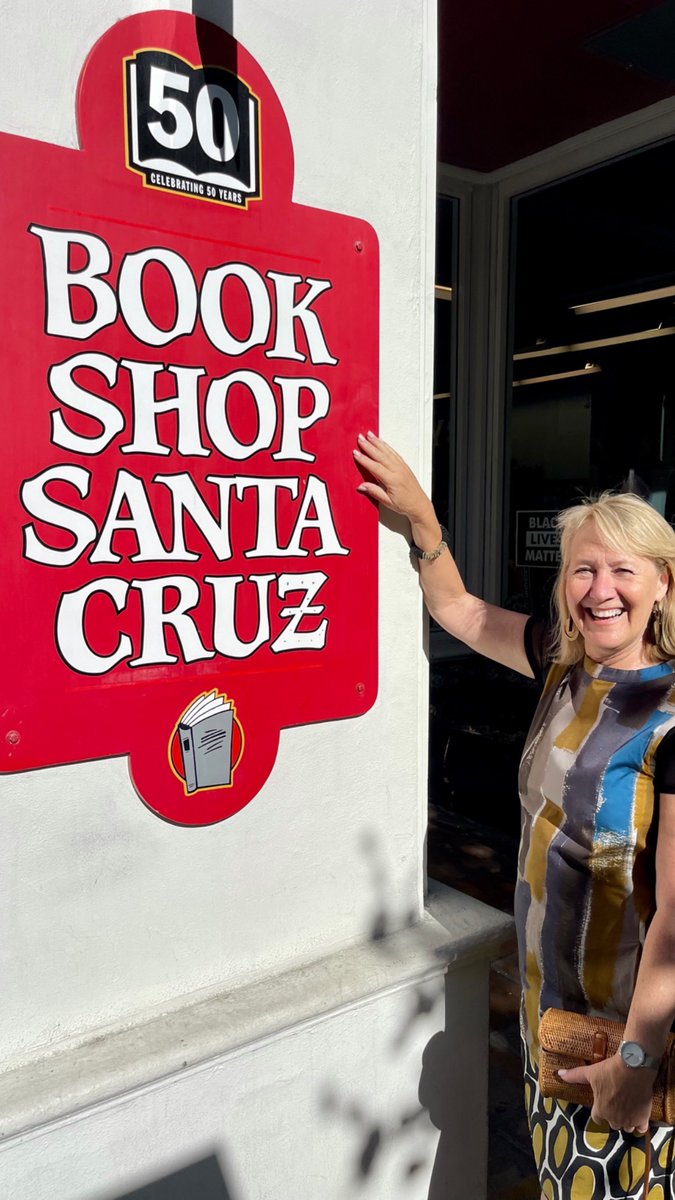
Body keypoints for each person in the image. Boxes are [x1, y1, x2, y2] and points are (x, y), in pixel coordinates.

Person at [354, 430, 675, 1200]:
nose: (601, 588)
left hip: (625, 1037)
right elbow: (459, 610)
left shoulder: (669, 713)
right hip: (550, 1016)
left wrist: (634, 1064)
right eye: (582, 569)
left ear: (661, 583)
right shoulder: (561, 666)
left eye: (622, 570)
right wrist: (423, 527)